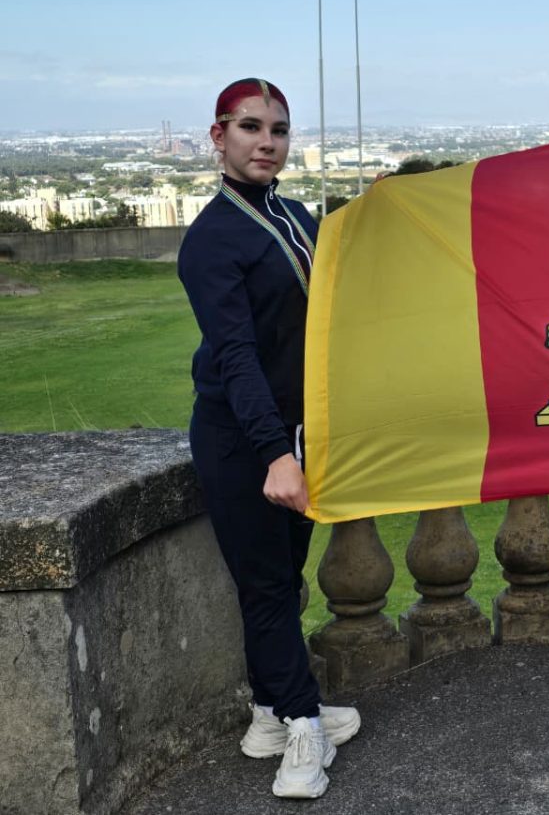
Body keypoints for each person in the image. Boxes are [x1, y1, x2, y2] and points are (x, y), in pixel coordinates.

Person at [178, 78, 360, 800]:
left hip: (294, 429)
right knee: (264, 585)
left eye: (278, 130)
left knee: (284, 581)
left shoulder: (294, 213)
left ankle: (266, 714)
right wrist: (276, 456)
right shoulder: (211, 240)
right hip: (242, 439)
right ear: (218, 137)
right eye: (250, 128)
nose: (267, 142)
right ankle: (302, 725)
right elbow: (236, 357)